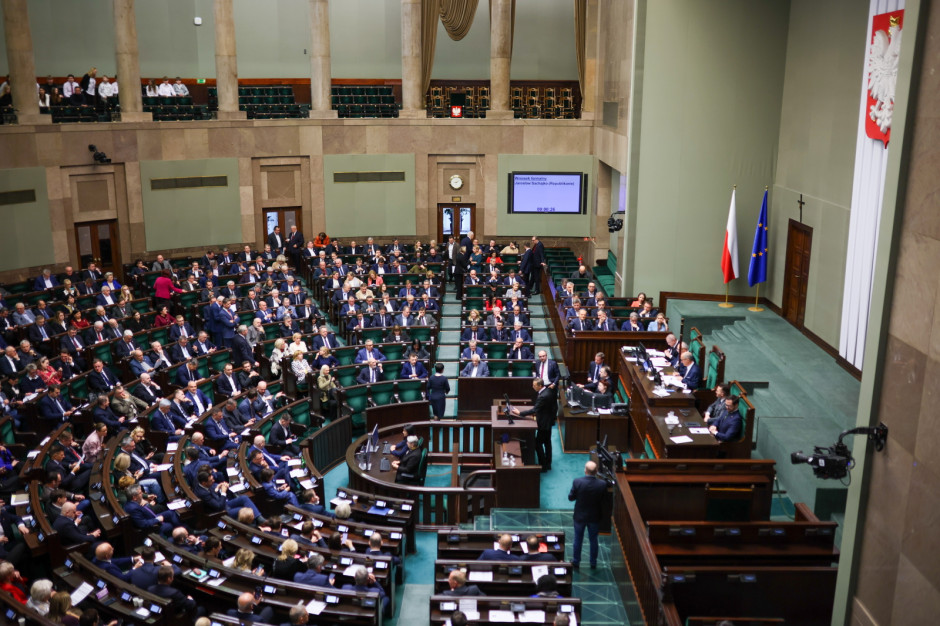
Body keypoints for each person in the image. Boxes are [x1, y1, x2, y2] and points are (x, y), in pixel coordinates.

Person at [568, 461, 608, 569]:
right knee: (593, 540)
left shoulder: (577, 482)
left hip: (580, 516)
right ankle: (593, 562)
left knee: (578, 539)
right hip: (594, 516)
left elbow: (571, 497)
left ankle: (576, 561)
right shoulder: (602, 484)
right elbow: (604, 501)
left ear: (585, 470)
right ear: (596, 471)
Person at [512, 378, 556, 471]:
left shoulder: (543, 396)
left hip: (544, 423)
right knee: (547, 443)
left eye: (534, 385)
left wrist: (520, 413)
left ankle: (543, 466)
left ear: (540, 386)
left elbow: (535, 409)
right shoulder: (548, 391)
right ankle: (548, 463)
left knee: (538, 444)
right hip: (548, 420)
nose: (533, 387)